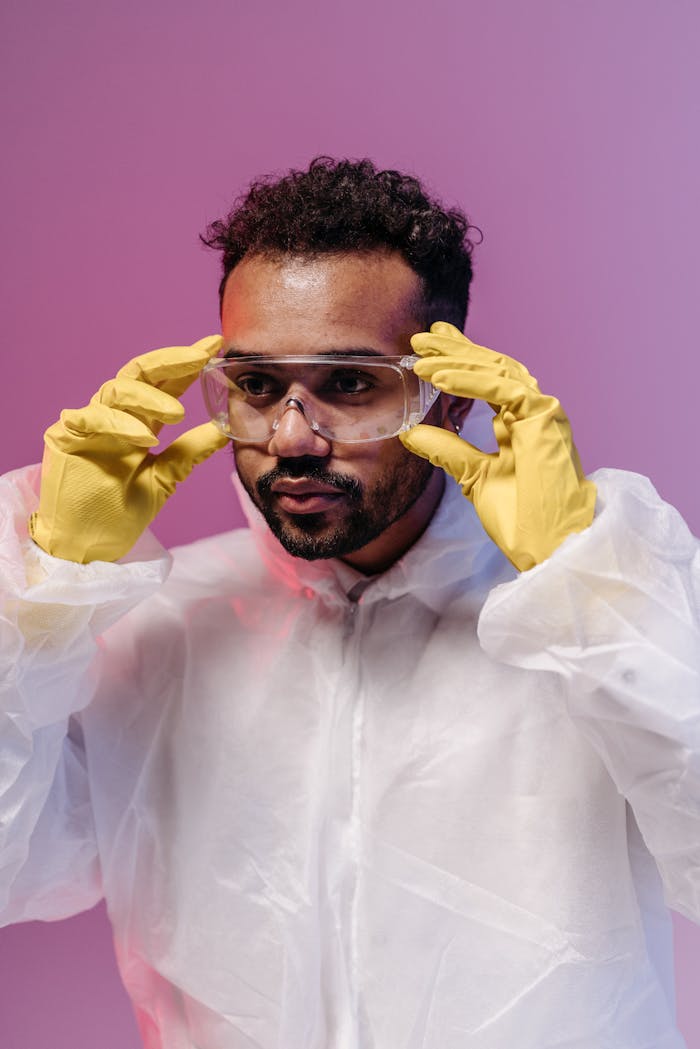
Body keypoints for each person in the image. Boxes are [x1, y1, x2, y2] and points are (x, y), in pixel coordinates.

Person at [0, 157, 698, 1049]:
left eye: (352, 384)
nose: (293, 436)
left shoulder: (592, 625)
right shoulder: (164, 628)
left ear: (444, 391)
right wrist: (47, 592)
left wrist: (590, 587)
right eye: (256, 386)